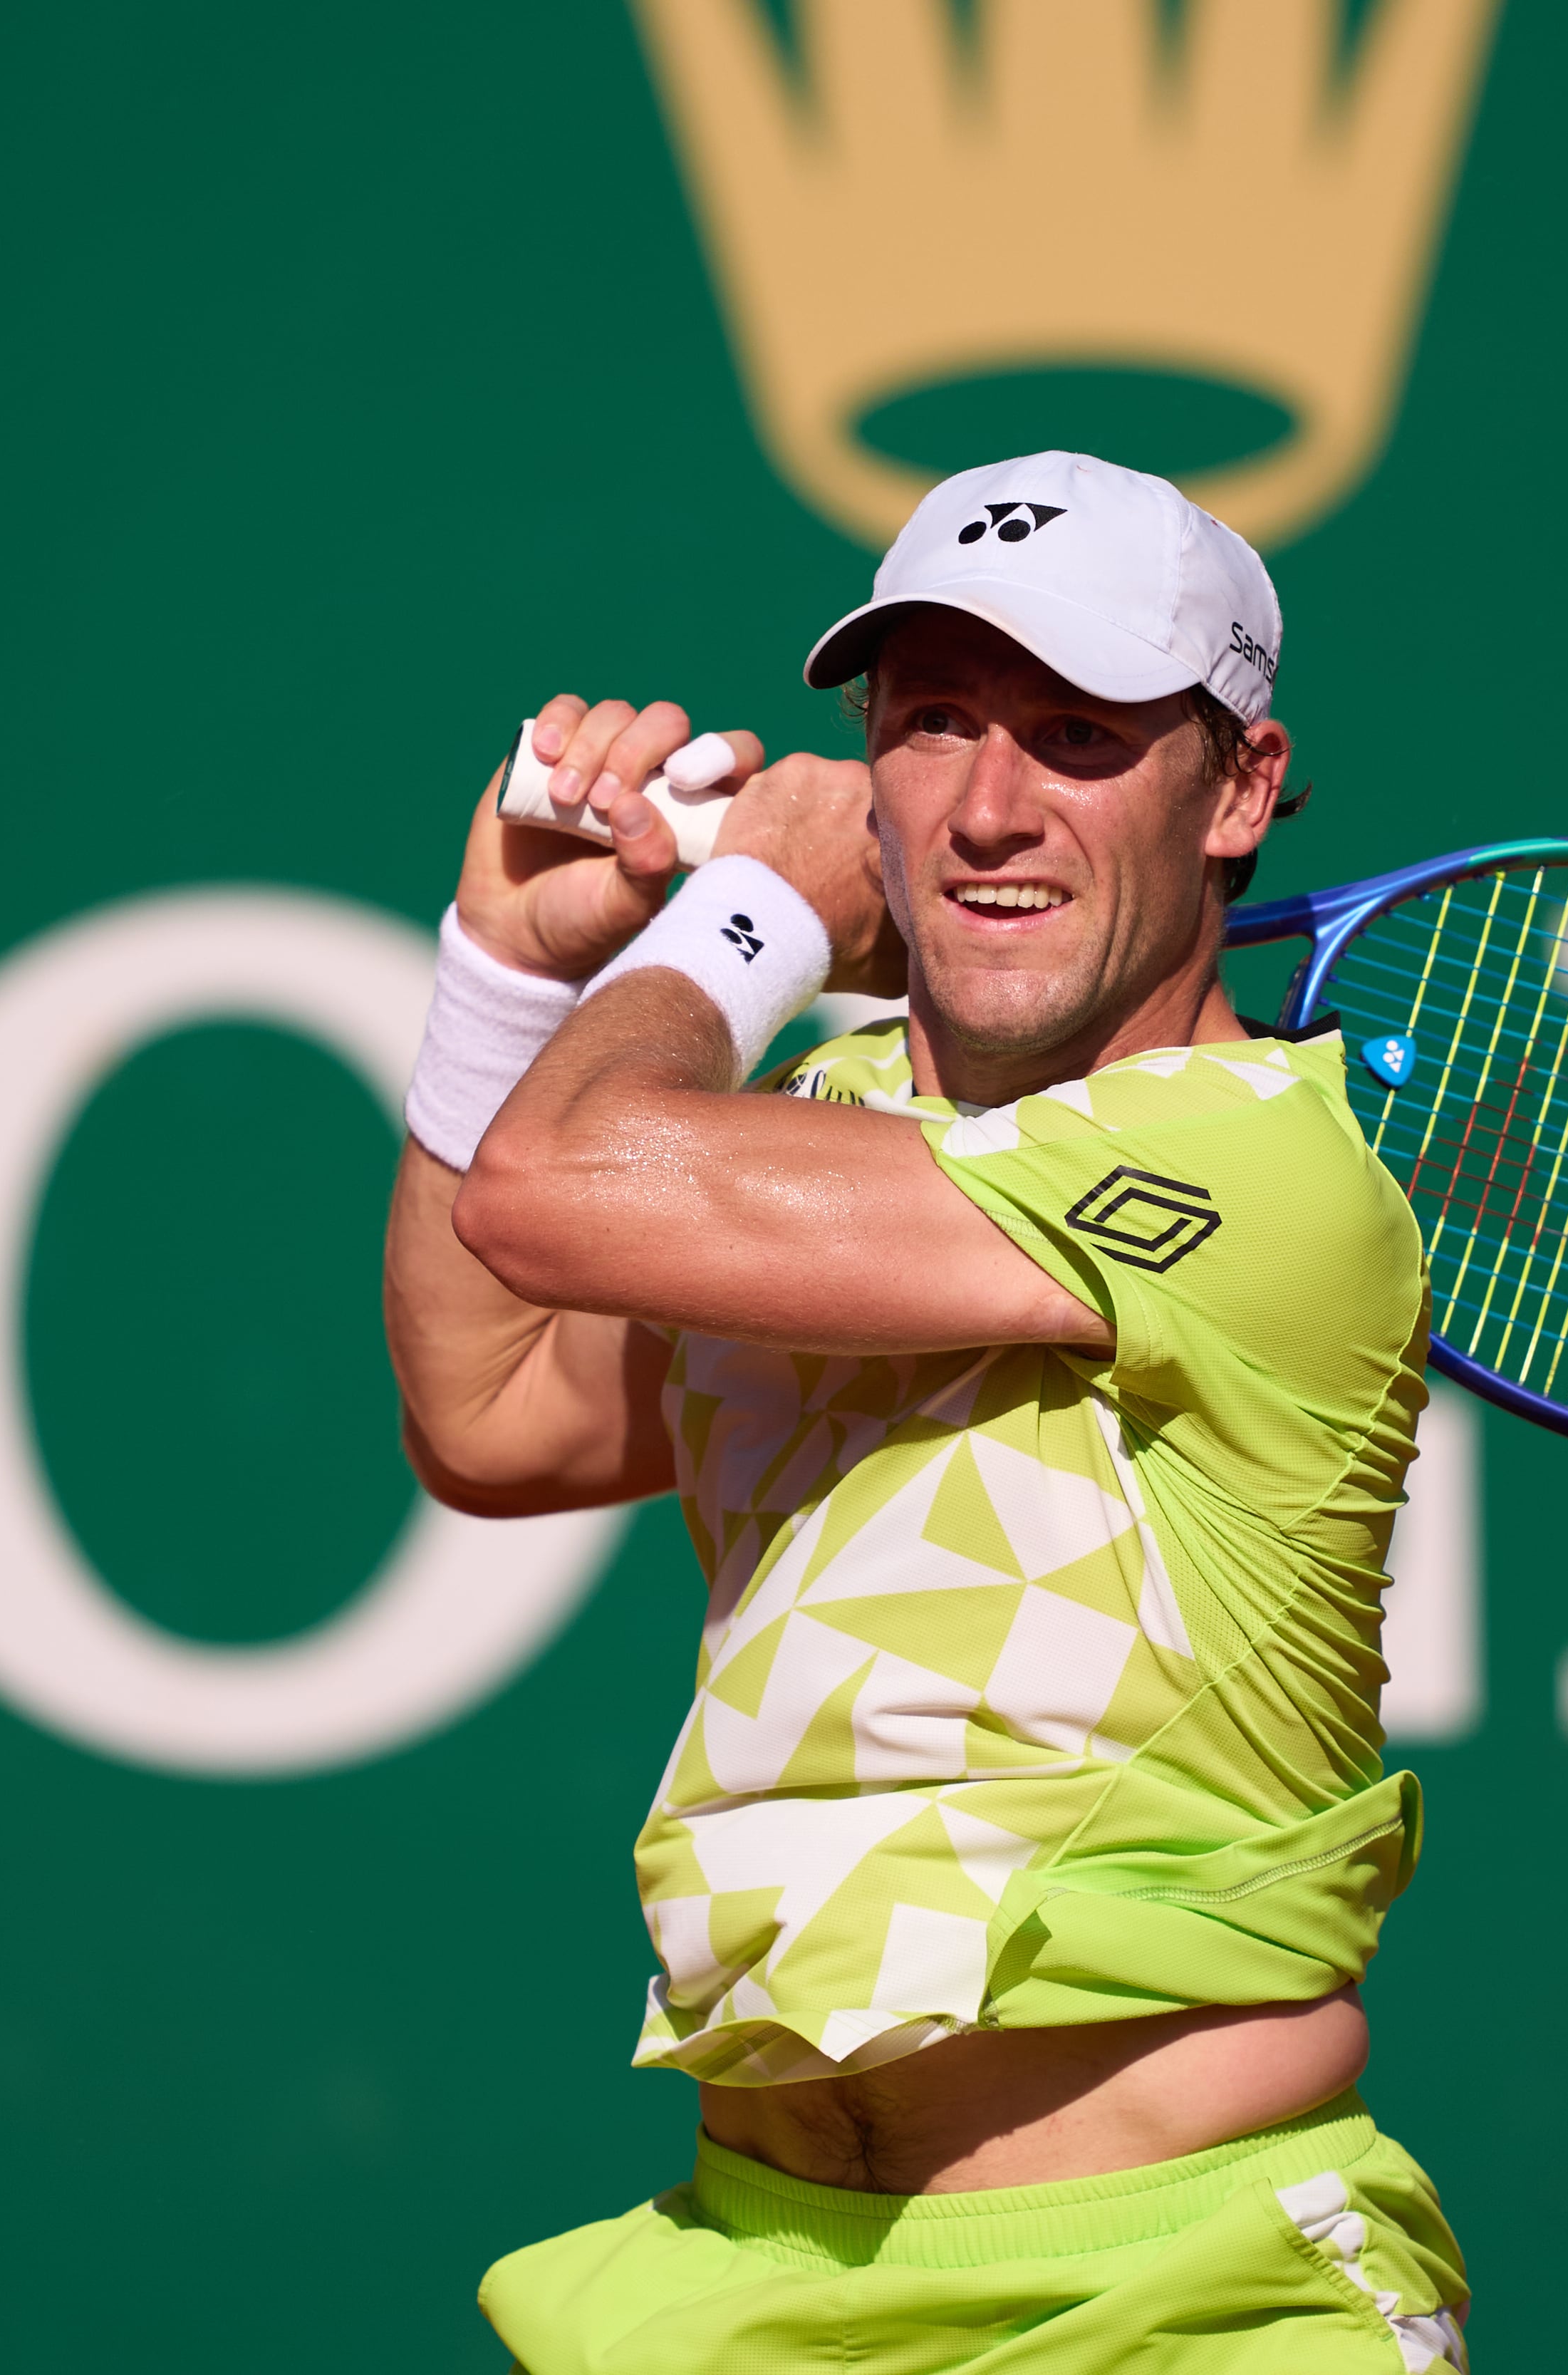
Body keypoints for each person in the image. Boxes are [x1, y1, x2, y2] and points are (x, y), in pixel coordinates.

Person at [382, 452, 1466, 2371]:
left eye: (1075, 736)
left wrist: (738, 922)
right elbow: (493, 1412)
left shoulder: (1254, 1166)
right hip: (754, 2270)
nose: (986, 806)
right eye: (934, 723)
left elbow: (550, 1194)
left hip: (1183, 2302)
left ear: (1238, 788)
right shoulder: (824, 1130)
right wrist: (509, 973)